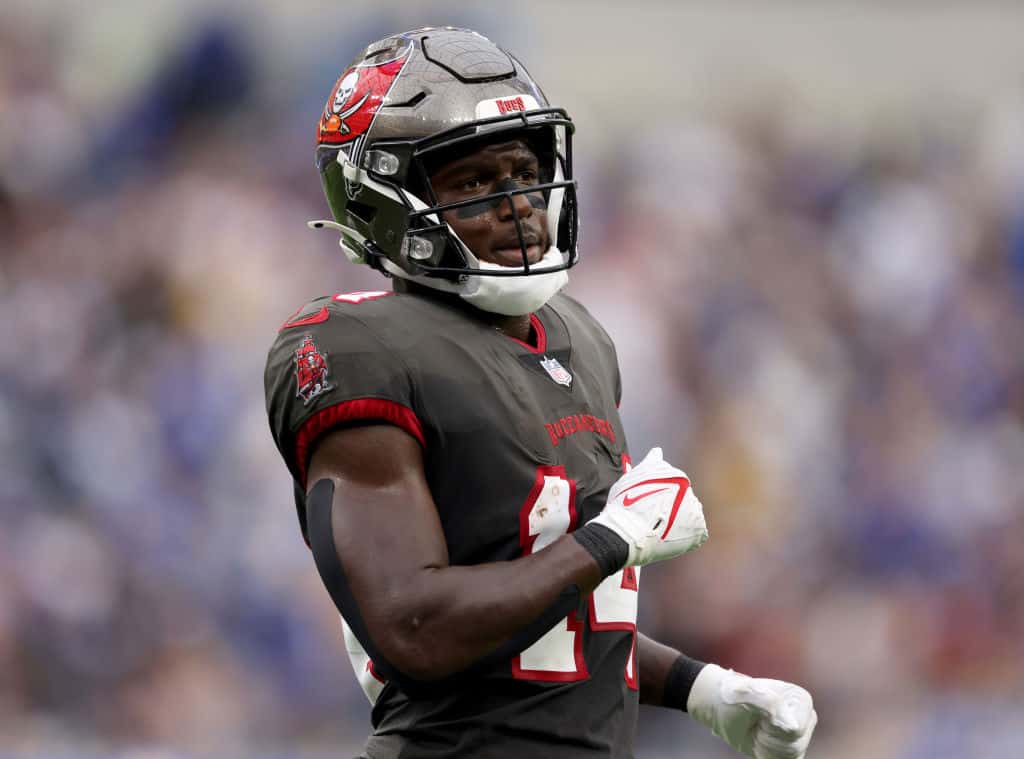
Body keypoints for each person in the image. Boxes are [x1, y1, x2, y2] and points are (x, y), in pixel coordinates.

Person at [264, 27, 817, 758]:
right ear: (380, 204)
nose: (520, 203)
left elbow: (558, 629)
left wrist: (699, 687)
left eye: (525, 170)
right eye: (474, 183)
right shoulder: (362, 349)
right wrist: (610, 538)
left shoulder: (577, 339)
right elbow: (416, 628)